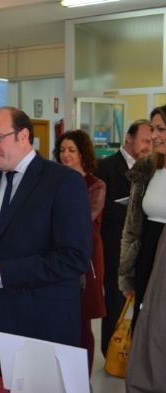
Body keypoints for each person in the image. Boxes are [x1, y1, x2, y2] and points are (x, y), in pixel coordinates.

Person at [0, 107, 92, 376]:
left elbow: (74, 258)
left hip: (44, 324)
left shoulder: (63, 182)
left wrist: (3, 272)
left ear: (23, 135)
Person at [94, 119, 152, 357]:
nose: (148, 145)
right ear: (129, 138)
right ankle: (111, 353)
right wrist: (131, 211)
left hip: (142, 244)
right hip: (114, 244)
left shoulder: (152, 169)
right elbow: (100, 207)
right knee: (116, 301)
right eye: (144, 140)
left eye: (152, 140)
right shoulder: (106, 167)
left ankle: (135, 352)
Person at [54, 130, 106, 377]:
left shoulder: (95, 185)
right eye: (62, 150)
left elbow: (82, 220)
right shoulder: (55, 182)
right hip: (57, 258)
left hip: (87, 262)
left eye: (71, 150)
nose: (65, 155)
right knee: (61, 320)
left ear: (83, 154)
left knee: (83, 321)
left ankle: (82, 379)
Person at [123, 105, 166, 392]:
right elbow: (134, 225)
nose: (154, 135)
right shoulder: (150, 170)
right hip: (147, 256)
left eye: (161, 129)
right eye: (152, 129)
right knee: (144, 326)